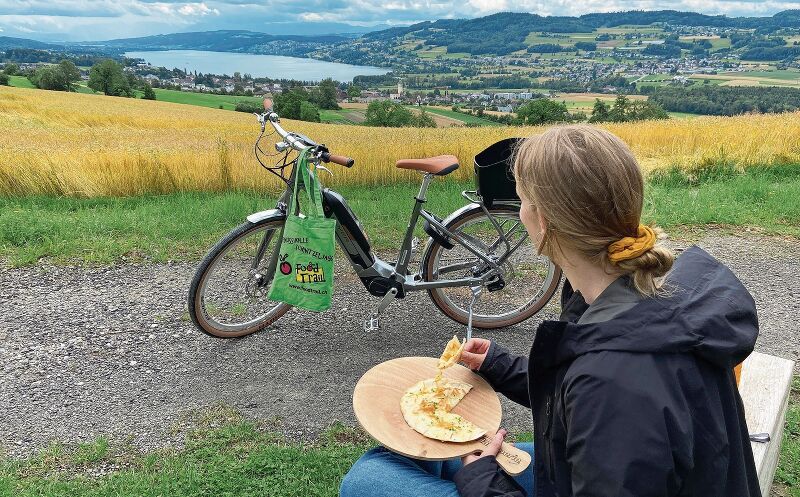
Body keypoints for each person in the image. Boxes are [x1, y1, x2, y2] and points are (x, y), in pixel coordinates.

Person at [340, 125, 761, 497]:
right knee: (408, 456)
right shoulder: (632, 298)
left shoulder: (616, 390)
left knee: (368, 479)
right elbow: (588, 388)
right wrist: (502, 367)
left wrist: (484, 483)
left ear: (543, 222)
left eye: (522, 201)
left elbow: (604, 395)